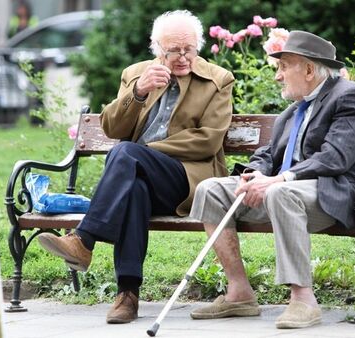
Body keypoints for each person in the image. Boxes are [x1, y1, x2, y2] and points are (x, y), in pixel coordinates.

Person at [36, 10, 234, 324]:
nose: (183, 57)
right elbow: (112, 128)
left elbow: (207, 141)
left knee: (128, 155)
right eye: (173, 51)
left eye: (189, 49)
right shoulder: (135, 74)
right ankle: (127, 295)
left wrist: (143, 152)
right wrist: (138, 93)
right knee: (135, 190)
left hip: (187, 180)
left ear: (198, 47)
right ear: (157, 49)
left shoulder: (217, 80)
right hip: (138, 175)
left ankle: (84, 239)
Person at [189, 30, 355, 329]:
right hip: (289, 191)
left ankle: (303, 300)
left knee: (282, 193)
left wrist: (280, 180)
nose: (278, 76)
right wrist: (252, 175)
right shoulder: (295, 109)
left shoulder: (349, 96)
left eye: (283, 66)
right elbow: (269, 153)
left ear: (308, 69)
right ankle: (239, 292)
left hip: (341, 195)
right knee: (211, 189)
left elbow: (336, 157)